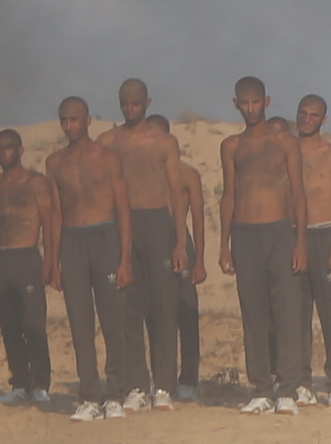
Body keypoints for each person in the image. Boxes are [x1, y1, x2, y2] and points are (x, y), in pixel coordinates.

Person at [217, 77, 307, 410]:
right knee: (253, 313)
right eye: (245, 103)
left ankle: (287, 390)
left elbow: (298, 192)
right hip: (244, 234)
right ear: (236, 104)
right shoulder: (231, 146)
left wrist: (300, 242)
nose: (251, 109)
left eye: (256, 102)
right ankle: (260, 389)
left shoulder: (285, 142)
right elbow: (229, 195)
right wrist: (224, 245)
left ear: (267, 102)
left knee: (285, 313)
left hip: (280, 232)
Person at [100, 79, 192, 405]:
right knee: (128, 308)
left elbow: (177, 195)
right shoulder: (108, 141)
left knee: (163, 307)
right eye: (125, 103)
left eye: (136, 103)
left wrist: (180, 242)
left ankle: (164, 386)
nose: (129, 109)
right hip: (122, 225)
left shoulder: (164, 142)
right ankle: (136, 385)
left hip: (157, 223)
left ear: (147, 102)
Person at [45, 95, 138, 413]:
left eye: (74, 118)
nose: (69, 125)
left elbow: (124, 209)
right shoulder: (55, 162)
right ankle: (88, 395)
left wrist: (125, 258)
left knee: (113, 320)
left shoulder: (107, 157)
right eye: (64, 119)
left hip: (105, 238)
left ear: (88, 120)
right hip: (72, 243)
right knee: (80, 322)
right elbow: (56, 213)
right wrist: (54, 261)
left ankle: (115, 393)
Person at [0, 130, 57, 403]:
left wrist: (50, 261)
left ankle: (40, 384)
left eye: (9, 148)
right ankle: (20, 383)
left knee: (33, 323)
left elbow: (49, 222)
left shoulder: (36, 183)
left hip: (26, 256)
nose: (4, 153)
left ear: (21, 150)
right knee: (9, 325)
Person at [290, 93, 331, 403]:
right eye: (302, 113)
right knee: (297, 314)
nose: (306, 119)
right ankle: (301, 381)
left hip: (325, 234)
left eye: (313, 115)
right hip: (293, 236)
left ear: (323, 120)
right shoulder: (286, 151)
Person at [160, 119, 209, 394]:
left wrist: (199, 260)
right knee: (154, 312)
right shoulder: (138, 173)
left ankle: (188, 378)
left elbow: (199, 218)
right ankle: (159, 377)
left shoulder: (187, 174)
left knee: (186, 312)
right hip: (148, 243)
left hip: (181, 242)